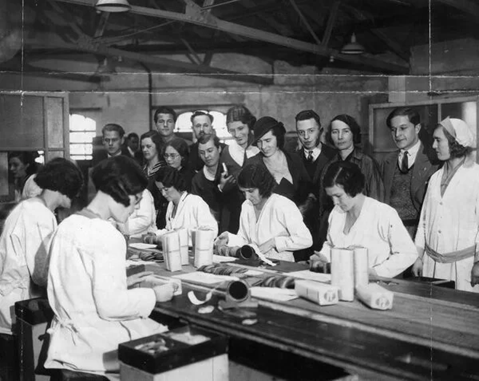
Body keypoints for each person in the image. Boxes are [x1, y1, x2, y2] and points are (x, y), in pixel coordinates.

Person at [45, 156, 176, 377]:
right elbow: (110, 306)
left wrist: (123, 282)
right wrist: (154, 294)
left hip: (66, 342)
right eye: (135, 199)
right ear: (120, 191)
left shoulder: (66, 225)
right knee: (177, 346)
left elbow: (77, 286)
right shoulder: (107, 234)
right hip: (95, 347)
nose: (134, 209)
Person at [0, 158, 83, 335]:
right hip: (18, 304)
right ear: (65, 188)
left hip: (13, 298)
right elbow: (41, 274)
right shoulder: (39, 215)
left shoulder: (31, 207)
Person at [310, 161, 417, 278]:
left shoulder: (383, 213)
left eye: (338, 196)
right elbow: (331, 244)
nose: (335, 202)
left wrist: (377, 272)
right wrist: (323, 256)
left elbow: (408, 253)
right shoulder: (336, 212)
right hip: (341, 280)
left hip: (375, 284)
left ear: (353, 188)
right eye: (331, 197)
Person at [413, 117, 479, 292]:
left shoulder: (476, 177)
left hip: (464, 267)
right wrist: (417, 256)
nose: (433, 146)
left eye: (438, 140)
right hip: (430, 264)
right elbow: (424, 222)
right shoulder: (435, 178)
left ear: (455, 142)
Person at [215, 164, 312, 262]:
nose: (247, 197)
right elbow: (245, 240)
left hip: (281, 265)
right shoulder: (246, 205)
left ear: (262, 186)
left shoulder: (282, 204)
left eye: (251, 191)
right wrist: (230, 238)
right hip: (255, 263)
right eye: (243, 192)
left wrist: (274, 242)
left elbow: (305, 239)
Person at [381, 107, 438, 237]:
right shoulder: (387, 161)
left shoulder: (433, 159)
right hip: (392, 232)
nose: (397, 135)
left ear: (417, 128)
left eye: (403, 128)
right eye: (393, 130)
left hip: (421, 234)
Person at [294, 110, 337, 252]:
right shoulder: (292, 159)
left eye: (311, 131)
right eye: (301, 132)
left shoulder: (334, 156)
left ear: (321, 130)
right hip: (302, 231)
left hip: (329, 227)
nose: (306, 137)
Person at [246, 116, 312, 206]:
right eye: (259, 142)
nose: (263, 146)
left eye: (267, 140)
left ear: (277, 137)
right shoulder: (253, 164)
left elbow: (309, 191)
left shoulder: (295, 159)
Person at [150, 166, 218, 244]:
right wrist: (156, 234)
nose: (163, 194)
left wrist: (183, 234)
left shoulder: (195, 202)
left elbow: (211, 231)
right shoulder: (171, 205)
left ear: (175, 184)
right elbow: (169, 230)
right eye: (160, 190)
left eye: (166, 189)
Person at [220, 105, 260, 233]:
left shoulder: (262, 148)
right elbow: (221, 184)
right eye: (232, 130)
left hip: (260, 212)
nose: (237, 134)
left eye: (241, 128)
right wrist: (222, 188)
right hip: (235, 215)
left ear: (249, 125)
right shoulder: (227, 152)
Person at [191, 134, 235, 231]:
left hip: (232, 227)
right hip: (208, 230)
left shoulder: (230, 171)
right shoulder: (197, 180)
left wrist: (223, 189)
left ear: (219, 149)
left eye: (210, 151)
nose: (206, 156)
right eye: (202, 152)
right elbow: (196, 210)